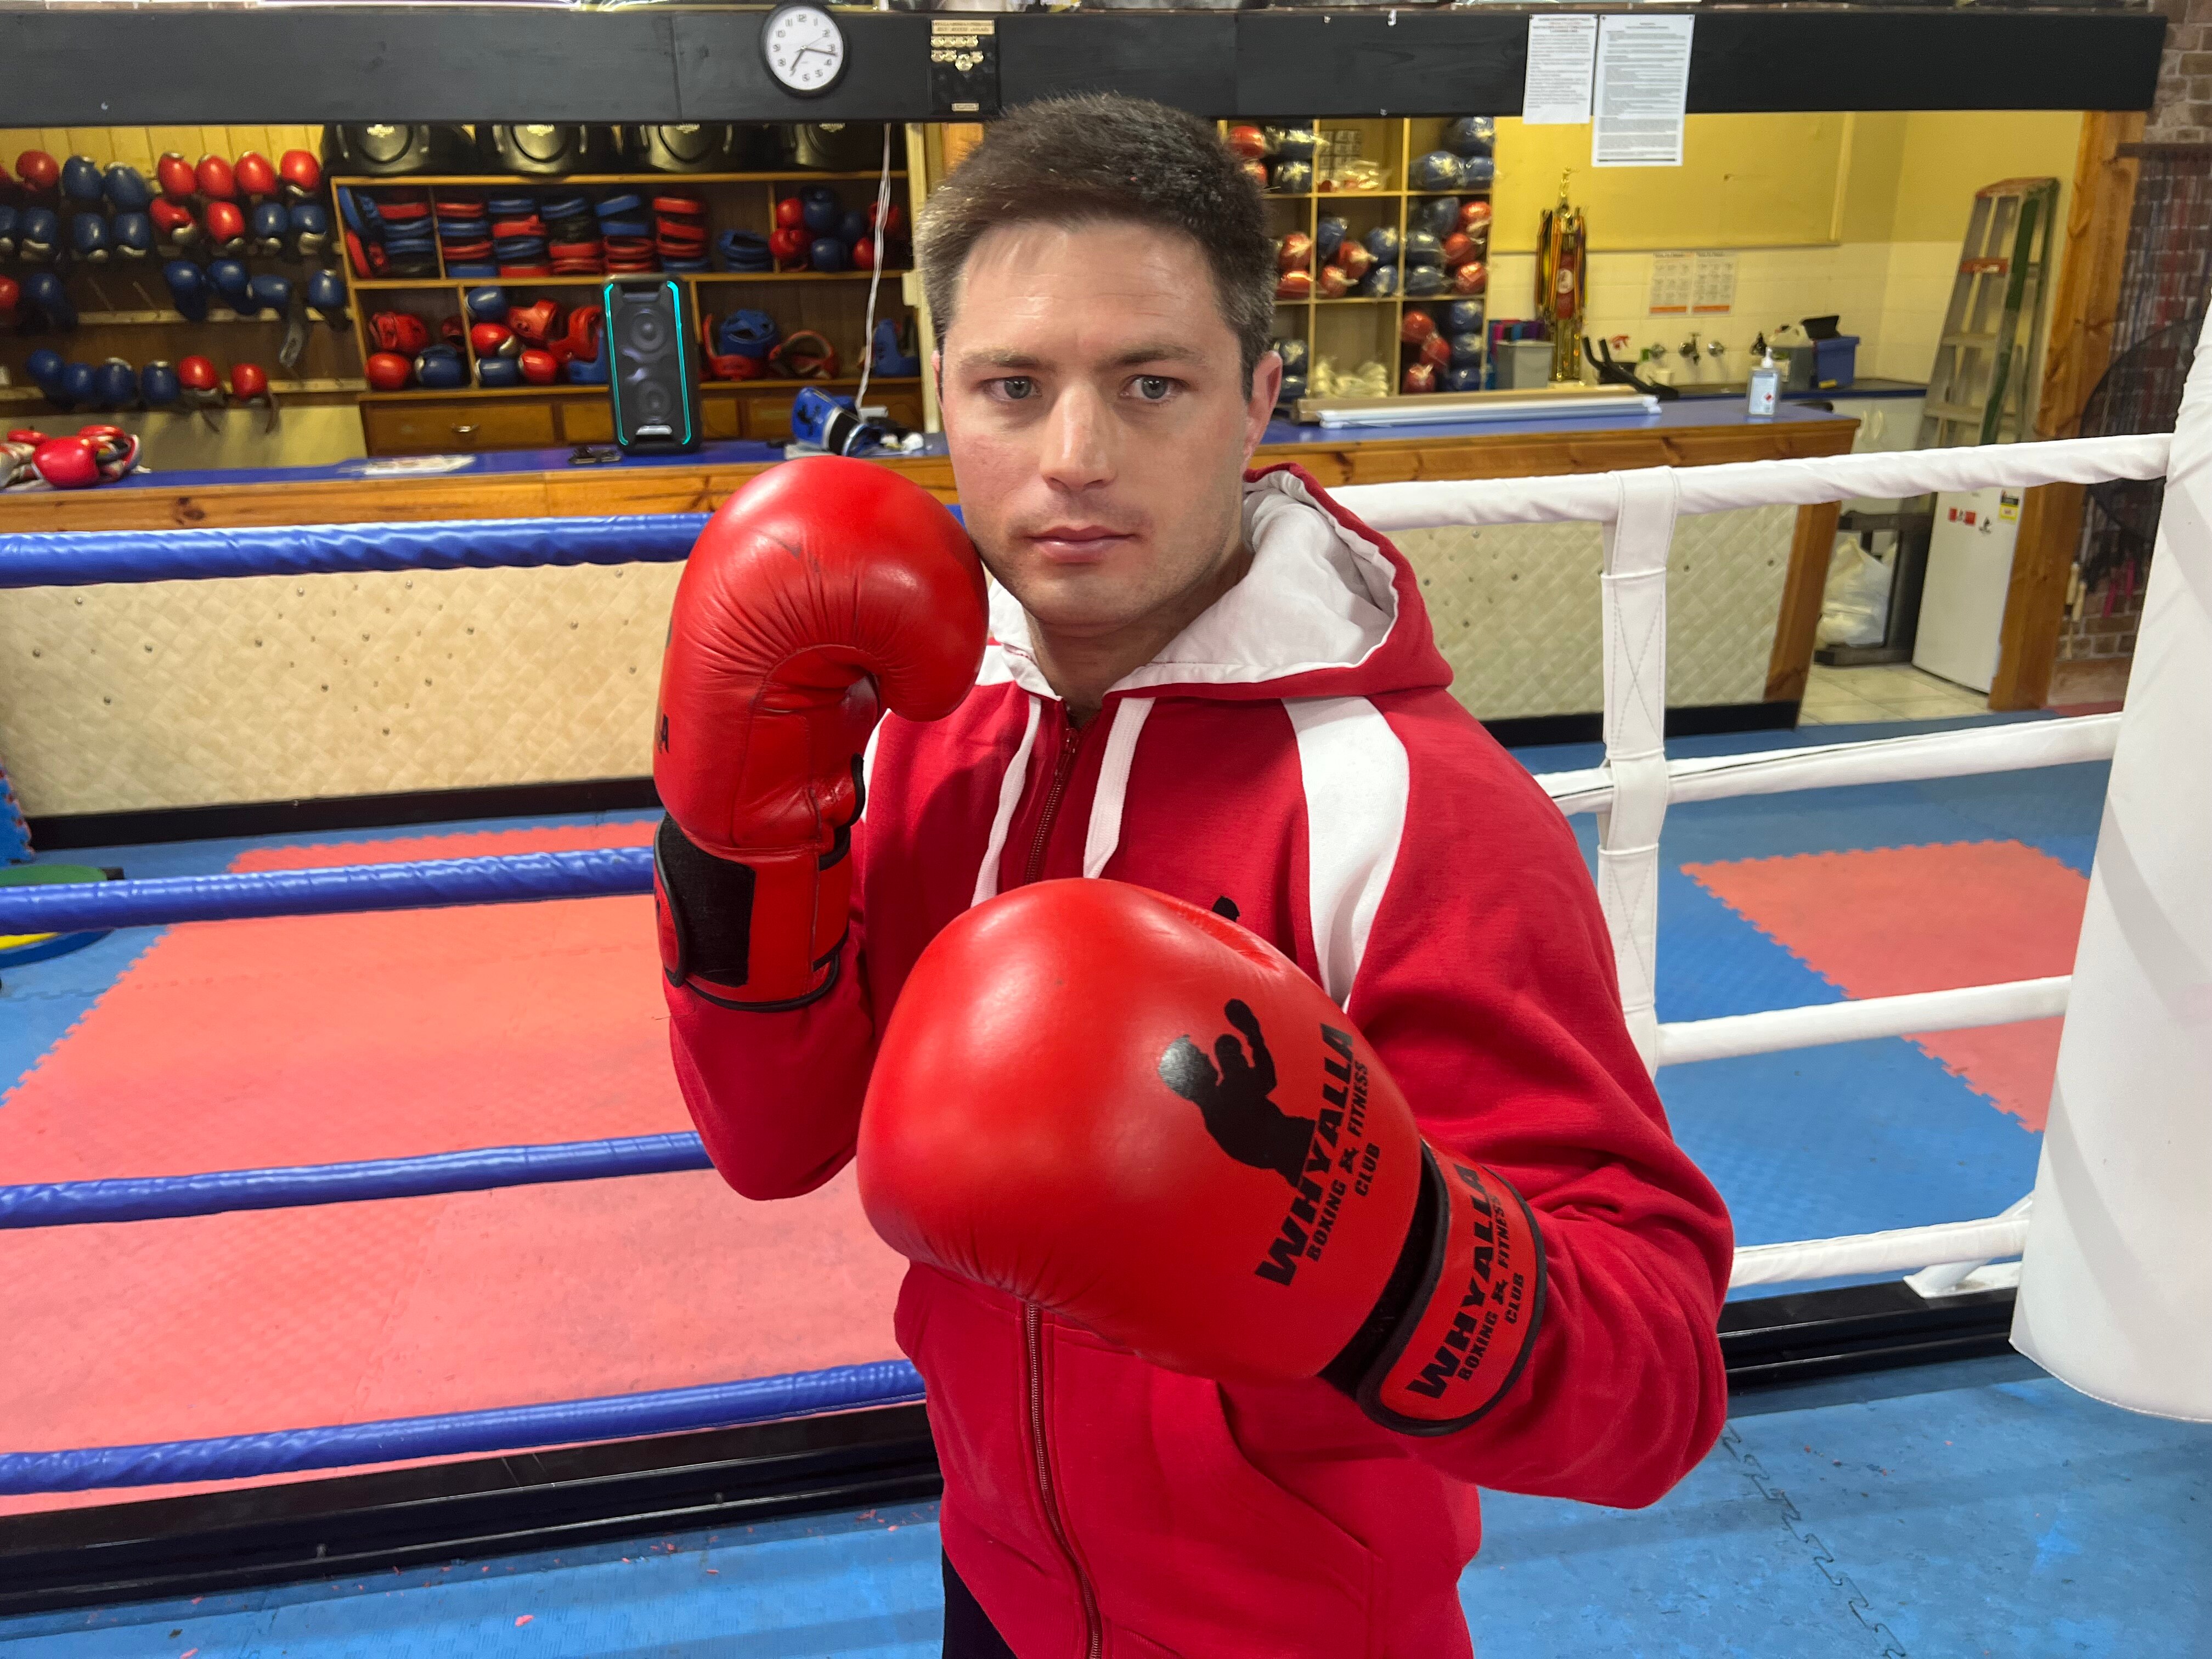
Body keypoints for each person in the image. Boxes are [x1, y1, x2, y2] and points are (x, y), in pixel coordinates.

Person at [651, 94, 1733, 1658]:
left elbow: (1659, 1389)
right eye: (1011, 388)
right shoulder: (912, 744)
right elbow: (769, 1138)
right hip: (999, 1587)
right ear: (942, 398)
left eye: (1151, 384)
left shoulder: (1410, 807)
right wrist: (729, 830)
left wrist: (1380, 1258)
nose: (1074, 459)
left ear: (1257, 399)